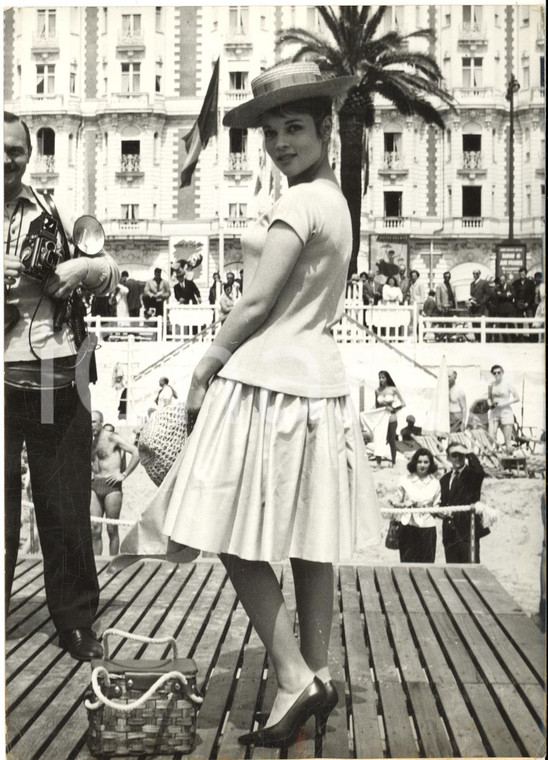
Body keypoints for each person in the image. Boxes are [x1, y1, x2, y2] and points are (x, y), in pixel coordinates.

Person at [113, 61, 381, 748]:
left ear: (326, 127)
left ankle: (292, 672)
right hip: (319, 379)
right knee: (313, 540)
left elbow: (258, 301)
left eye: (295, 127)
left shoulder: (296, 205)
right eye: (270, 131)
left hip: (269, 378)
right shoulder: (335, 201)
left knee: (226, 531)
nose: (282, 142)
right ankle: (313, 673)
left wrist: (205, 364)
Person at [4, 110, 119, 660]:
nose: (7, 158)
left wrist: (79, 272)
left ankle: (75, 621)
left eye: (15, 150)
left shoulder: (52, 209)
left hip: (52, 376)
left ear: (28, 156)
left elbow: (111, 269)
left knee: (65, 503)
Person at [90, 411, 140, 556]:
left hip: (111, 486)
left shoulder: (112, 438)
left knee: (112, 529)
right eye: (89, 422)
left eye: (94, 422)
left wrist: (123, 474)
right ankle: (96, 565)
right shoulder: (90, 440)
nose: (91, 425)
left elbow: (136, 452)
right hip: (94, 485)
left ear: (101, 422)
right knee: (94, 528)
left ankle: (112, 564)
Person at [390, 448, 440, 563]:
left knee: (427, 565)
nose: (422, 465)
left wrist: (427, 508)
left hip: (428, 528)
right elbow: (395, 502)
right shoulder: (404, 480)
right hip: (408, 527)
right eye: (419, 461)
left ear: (430, 464)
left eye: (426, 462)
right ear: (414, 463)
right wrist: (405, 505)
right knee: (407, 565)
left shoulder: (435, 483)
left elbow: (437, 507)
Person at [440, 441, 488, 563]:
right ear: (448, 457)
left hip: (468, 532)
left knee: (471, 572)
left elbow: (479, 471)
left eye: (460, 454)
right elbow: (442, 503)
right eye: (454, 455)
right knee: (452, 572)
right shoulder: (444, 479)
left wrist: (468, 452)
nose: (457, 458)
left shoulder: (472, 475)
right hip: (449, 533)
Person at [374, 370, 405, 467]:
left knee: (392, 439)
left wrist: (394, 409)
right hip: (381, 417)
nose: (381, 379)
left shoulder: (393, 389)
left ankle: (393, 462)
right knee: (379, 439)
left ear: (387, 378)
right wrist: (382, 408)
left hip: (391, 416)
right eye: (380, 377)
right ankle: (378, 464)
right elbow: (376, 405)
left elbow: (403, 403)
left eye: (383, 377)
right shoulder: (377, 390)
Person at [487, 364, 520, 454]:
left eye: (499, 372)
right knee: (491, 436)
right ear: (492, 374)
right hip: (494, 412)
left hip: (506, 412)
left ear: (502, 373)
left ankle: (509, 462)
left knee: (507, 439)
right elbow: (489, 397)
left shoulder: (507, 384)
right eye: (494, 373)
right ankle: (489, 459)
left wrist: (505, 403)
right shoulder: (491, 385)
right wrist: (490, 404)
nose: (497, 374)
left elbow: (517, 398)